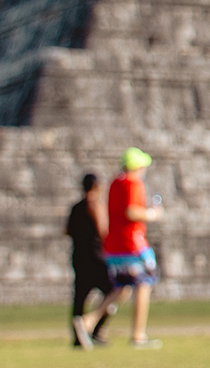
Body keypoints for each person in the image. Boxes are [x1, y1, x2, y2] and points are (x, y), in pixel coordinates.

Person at [97, 148, 163, 347]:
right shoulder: (132, 182)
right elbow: (131, 212)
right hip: (133, 244)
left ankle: (89, 320)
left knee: (122, 288)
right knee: (145, 283)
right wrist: (152, 214)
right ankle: (138, 334)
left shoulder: (115, 182)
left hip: (114, 246)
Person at [67, 173, 115, 347]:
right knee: (113, 292)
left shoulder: (75, 207)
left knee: (80, 298)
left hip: (78, 258)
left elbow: (67, 230)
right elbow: (103, 230)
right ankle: (94, 329)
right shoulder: (95, 204)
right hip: (95, 258)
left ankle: (78, 335)